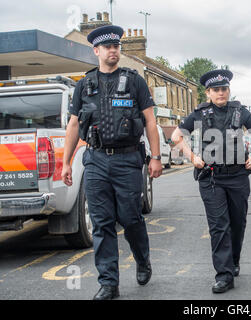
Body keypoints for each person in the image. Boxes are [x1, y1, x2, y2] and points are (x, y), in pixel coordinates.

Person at [62, 25, 163, 300]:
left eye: (116, 46)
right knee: (102, 222)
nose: (113, 51)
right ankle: (109, 283)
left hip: (128, 160)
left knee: (130, 218)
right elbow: (73, 125)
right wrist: (66, 162)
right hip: (94, 161)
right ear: (96, 51)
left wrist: (155, 157)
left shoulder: (134, 81)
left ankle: (142, 259)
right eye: (107, 47)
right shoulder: (84, 85)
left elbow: (151, 122)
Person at [171, 69, 251, 293]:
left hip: (238, 176)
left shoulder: (239, 112)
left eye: (224, 89)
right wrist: (192, 157)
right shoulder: (199, 114)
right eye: (216, 90)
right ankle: (223, 275)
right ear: (208, 93)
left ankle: (233, 261)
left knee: (237, 223)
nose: (221, 93)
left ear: (228, 91)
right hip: (212, 178)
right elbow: (176, 136)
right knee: (218, 227)